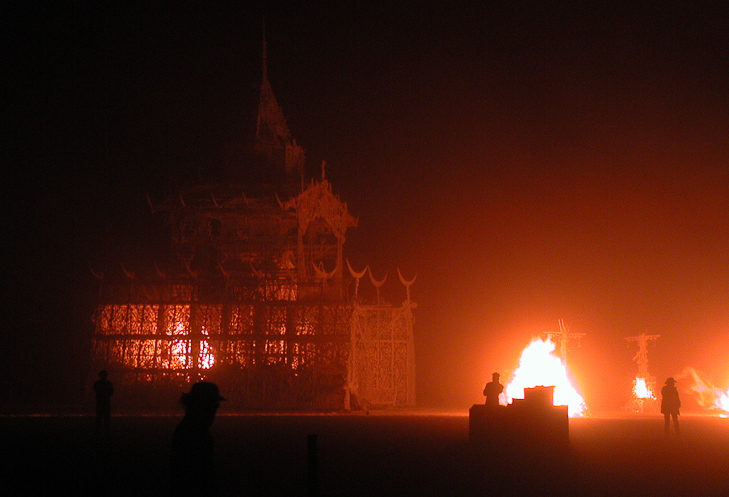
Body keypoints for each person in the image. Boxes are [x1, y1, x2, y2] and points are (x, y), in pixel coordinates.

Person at [170, 381, 225, 496]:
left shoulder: (189, 430)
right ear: (202, 404)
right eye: (212, 403)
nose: (216, 407)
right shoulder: (194, 433)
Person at [93, 370, 114, 437]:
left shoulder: (97, 383)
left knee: (100, 418)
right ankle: (106, 432)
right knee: (105, 418)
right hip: (105, 403)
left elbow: (96, 390)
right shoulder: (108, 383)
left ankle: (98, 432)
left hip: (101, 403)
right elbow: (111, 392)